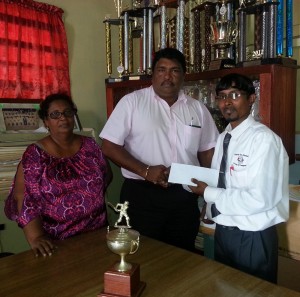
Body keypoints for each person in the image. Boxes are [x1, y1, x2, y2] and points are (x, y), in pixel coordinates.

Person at [100, 48, 219, 251]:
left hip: (184, 195)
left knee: (183, 253)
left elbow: (208, 151)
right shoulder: (132, 102)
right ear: (153, 74)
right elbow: (109, 146)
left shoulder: (197, 108)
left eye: (174, 70)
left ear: (183, 75)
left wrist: (209, 192)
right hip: (141, 195)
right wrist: (145, 170)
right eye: (161, 70)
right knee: (142, 253)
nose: (167, 76)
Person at [189, 73, 289, 283]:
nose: (226, 102)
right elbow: (222, 179)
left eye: (234, 95)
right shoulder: (224, 137)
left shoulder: (263, 140)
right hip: (224, 232)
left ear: (251, 99)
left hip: (252, 235)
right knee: (225, 289)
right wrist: (208, 207)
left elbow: (259, 199)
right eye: (221, 96)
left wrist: (208, 193)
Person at [5, 93, 112, 257]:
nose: (63, 118)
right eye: (55, 114)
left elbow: (106, 176)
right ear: (46, 121)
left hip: (97, 233)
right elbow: (24, 198)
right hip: (58, 241)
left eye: (67, 112)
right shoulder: (35, 155)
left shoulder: (90, 146)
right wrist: (36, 237)